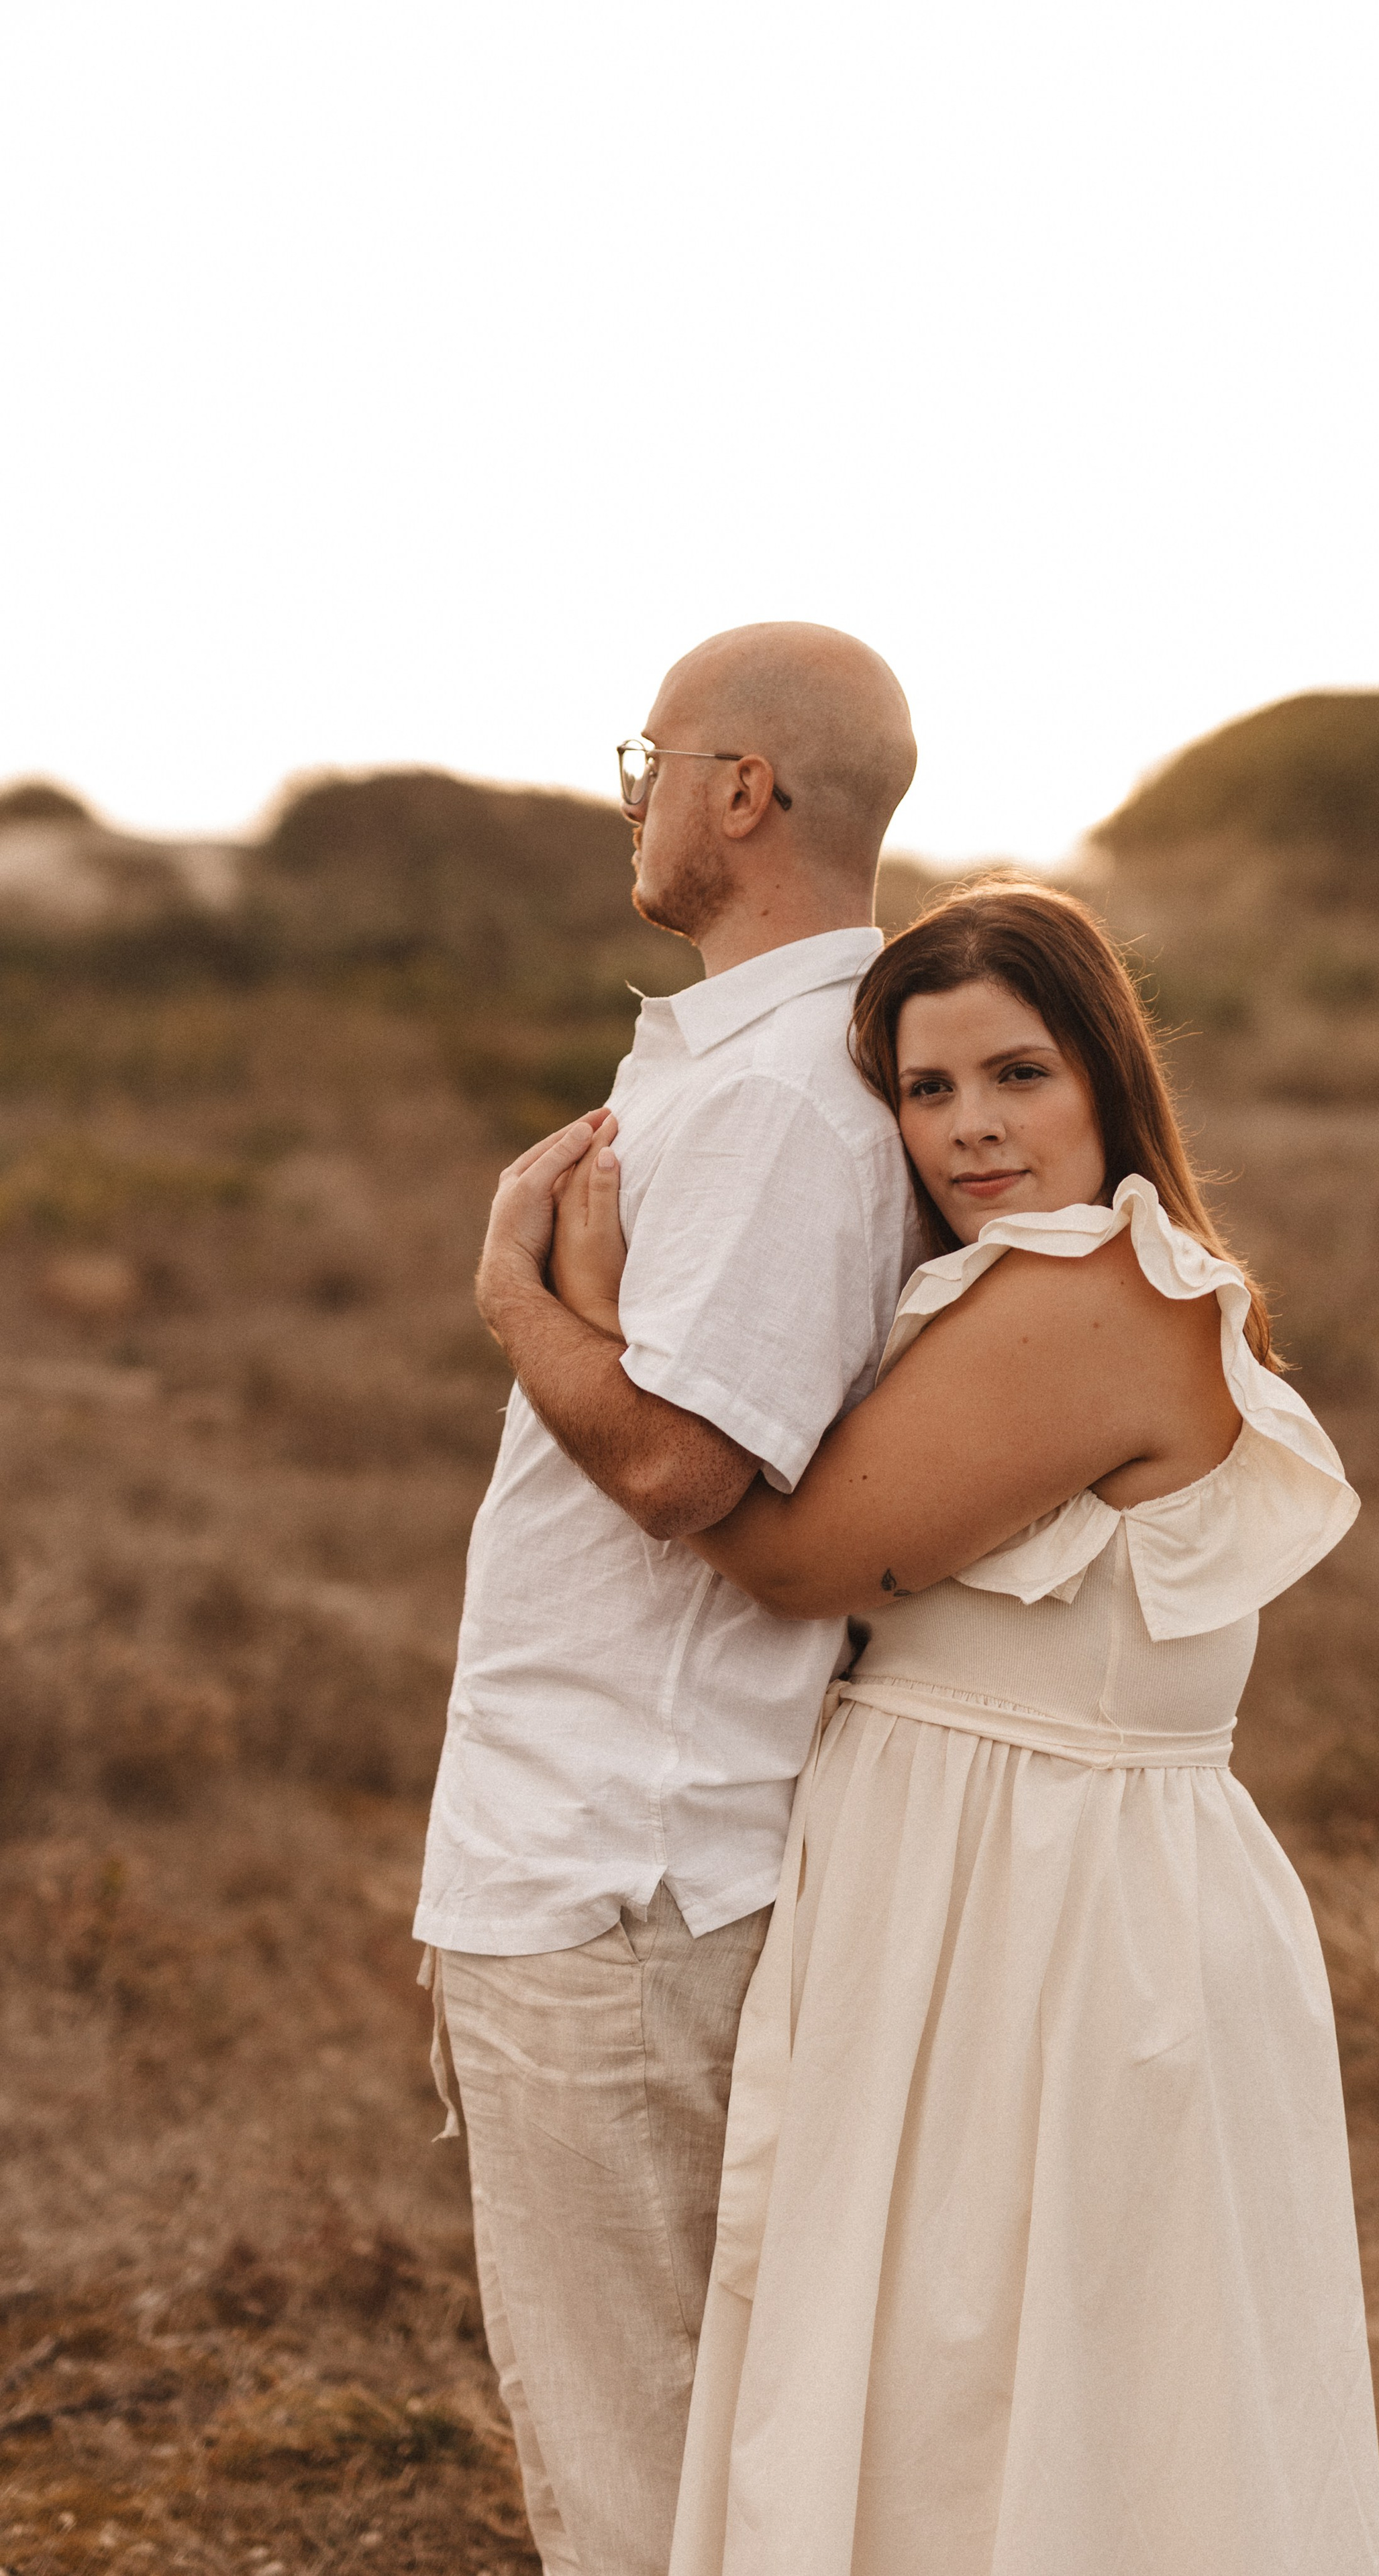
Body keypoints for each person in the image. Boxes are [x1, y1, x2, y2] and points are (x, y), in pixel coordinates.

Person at [553, 880, 1379, 2575]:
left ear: (1103, 1073)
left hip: (1050, 1905)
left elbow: (795, 1558)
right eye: (925, 1092)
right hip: (999, 1875)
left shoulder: (1093, 1291)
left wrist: (551, 1315)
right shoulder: (1029, 1285)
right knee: (995, 2395)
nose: (970, 1129)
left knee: (1020, 2403)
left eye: (1015, 1074)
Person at [413, 624, 923, 2576]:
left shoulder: (792, 1094)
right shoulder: (762, 1063)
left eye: (651, 756)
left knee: (642, 2491)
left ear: (741, 792)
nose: (628, 792)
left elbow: (680, 1471)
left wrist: (508, 1292)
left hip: (626, 1872)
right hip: (603, 1855)